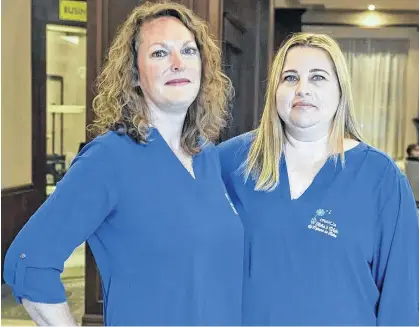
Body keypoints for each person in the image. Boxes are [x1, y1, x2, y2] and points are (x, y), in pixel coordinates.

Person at [3, 2, 244, 326]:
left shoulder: (206, 156)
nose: (177, 63)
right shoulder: (110, 158)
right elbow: (29, 262)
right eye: (159, 53)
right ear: (134, 75)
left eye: (188, 51)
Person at [218, 33, 419, 325]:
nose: (303, 89)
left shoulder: (381, 178)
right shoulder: (229, 164)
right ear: (274, 90)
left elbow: (401, 298)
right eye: (289, 78)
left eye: (318, 78)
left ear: (341, 91)